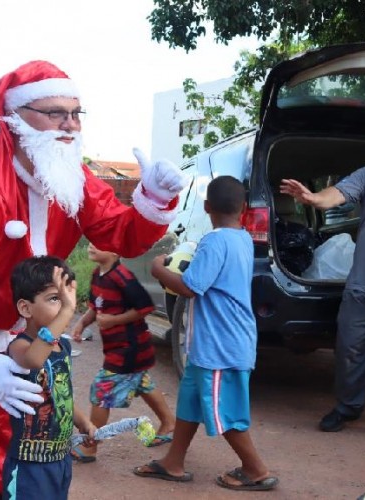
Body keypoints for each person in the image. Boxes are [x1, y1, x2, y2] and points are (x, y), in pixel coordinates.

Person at [0, 60, 187, 499]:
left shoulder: (71, 174)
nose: (69, 124)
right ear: (15, 116)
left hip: (15, 329)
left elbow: (118, 233)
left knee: (15, 436)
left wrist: (156, 198)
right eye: (55, 112)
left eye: (76, 113)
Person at [133, 176, 279, 491]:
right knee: (190, 403)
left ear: (206, 207)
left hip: (220, 347)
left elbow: (189, 287)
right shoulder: (241, 237)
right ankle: (173, 462)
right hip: (213, 345)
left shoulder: (214, 241)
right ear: (243, 209)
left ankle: (255, 469)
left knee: (223, 411)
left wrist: (159, 269)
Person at [280, 122, 365, 445]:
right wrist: (313, 198)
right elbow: (336, 195)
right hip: (362, 290)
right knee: (351, 353)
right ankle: (347, 408)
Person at [70, 242, 175, 462]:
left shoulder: (123, 277)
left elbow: (145, 307)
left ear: (116, 251)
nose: (92, 245)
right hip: (120, 348)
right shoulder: (98, 274)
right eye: (92, 241)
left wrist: (114, 320)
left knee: (102, 391)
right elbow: (95, 305)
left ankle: (91, 445)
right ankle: (169, 422)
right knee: (141, 382)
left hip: (129, 348)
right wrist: (81, 324)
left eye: (101, 243)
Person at [4, 255, 95, 500]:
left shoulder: (62, 346)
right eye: (55, 298)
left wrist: (83, 422)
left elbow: (61, 395)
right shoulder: (19, 346)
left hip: (59, 459)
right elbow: (34, 359)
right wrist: (67, 311)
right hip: (29, 464)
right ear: (25, 308)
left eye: (67, 298)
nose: (66, 305)